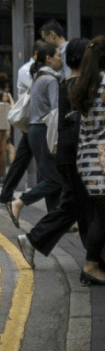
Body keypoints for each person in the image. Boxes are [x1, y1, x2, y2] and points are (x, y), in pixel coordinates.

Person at [17, 38, 89, 268]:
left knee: (71, 205)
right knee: (83, 206)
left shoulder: (61, 82)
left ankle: (32, 241)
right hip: (76, 153)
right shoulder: (74, 84)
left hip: (66, 151)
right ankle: (93, 261)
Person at [8, 42, 65, 225]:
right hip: (44, 130)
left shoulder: (38, 78)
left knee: (49, 176)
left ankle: (54, 219)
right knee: (54, 178)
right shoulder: (50, 80)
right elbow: (56, 111)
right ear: (48, 58)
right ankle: (19, 202)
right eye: (58, 55)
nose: (61, 59)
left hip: (34, 130)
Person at [69, 36, 105, 285]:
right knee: (103, 216)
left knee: (99, 214)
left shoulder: (86, 83)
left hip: (87, 158)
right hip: (102, 160)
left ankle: (97, 262)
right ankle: (91, 266)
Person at [0, 39, 46, 204]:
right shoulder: (26, 70)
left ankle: (6, 194)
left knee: (23, 159)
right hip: (32, 120)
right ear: (35, 54)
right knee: (39, 159)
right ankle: (36, 194)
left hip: (38, 120)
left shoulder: (40, 69)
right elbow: (39, 88)